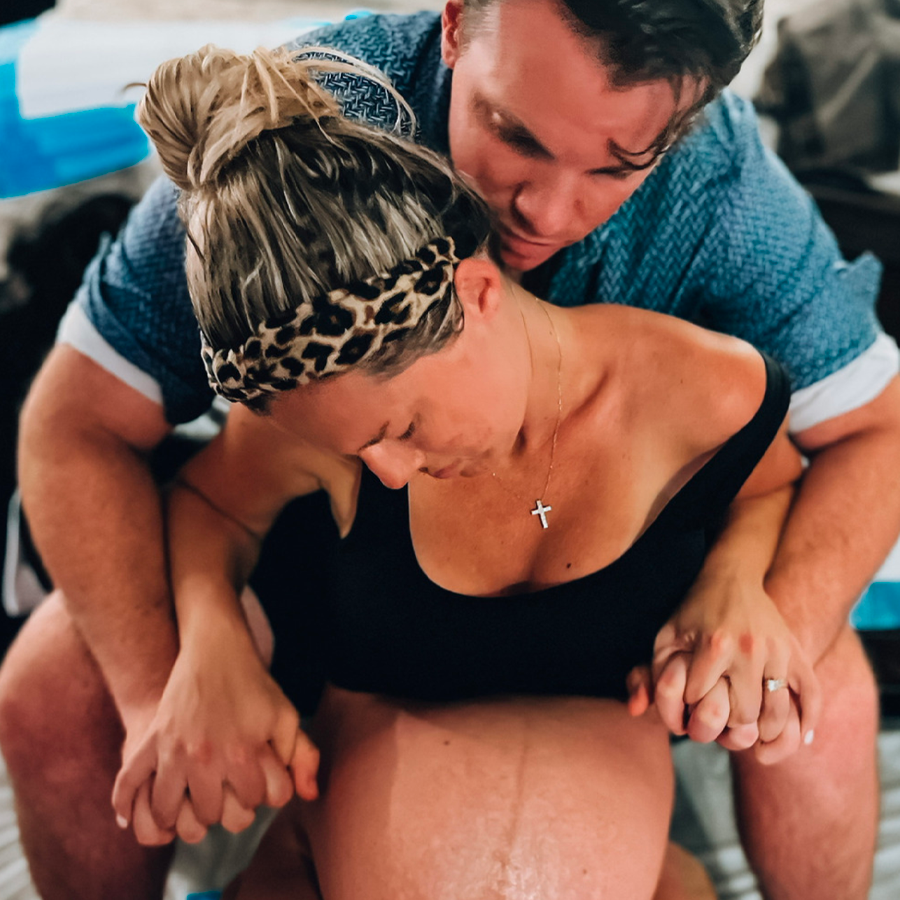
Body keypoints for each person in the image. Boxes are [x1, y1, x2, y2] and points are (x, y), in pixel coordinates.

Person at [0, 1, 893, 898]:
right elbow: (79, 427)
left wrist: (759, 619)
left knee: (820, 690)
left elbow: (868, 436)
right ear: (459, 19)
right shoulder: (289, 157)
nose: (548, 212)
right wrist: (175, 685)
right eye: (516, 134)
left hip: (623, 605)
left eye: (617, 166)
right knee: (53, 679)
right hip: (342, 585)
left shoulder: (722, 211)